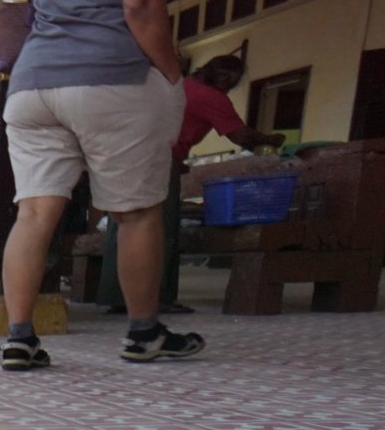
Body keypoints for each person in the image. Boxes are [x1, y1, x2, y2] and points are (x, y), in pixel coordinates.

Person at [0, 0, 195, 371]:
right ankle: (143, 332)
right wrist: (172, 74)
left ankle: (19, 337)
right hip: (111, 76)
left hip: (32, 86)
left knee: (35, 212)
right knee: (135, 212)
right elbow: (141, 5)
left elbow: (20, 8)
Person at [101, 52, 287, 314]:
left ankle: (117, 297)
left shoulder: (183, 85)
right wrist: (270, 139)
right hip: (160, 160)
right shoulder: (210, 97)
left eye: (231, 79)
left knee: (124, 223)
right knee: (160, 228)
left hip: (127, 156)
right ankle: (156, 299)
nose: (227, 82)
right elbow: (240, 135)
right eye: (226, 77)